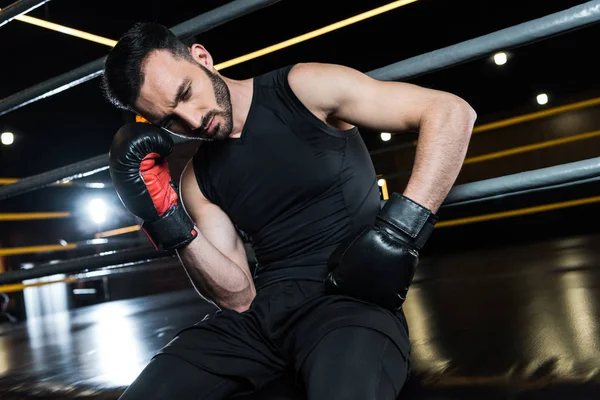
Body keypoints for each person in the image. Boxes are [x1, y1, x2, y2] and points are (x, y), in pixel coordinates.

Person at [102, 22, 476, 400]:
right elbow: (237, 298)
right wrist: (167, 220)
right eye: (170, 121)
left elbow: (450, 112)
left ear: (203, 58)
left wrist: (400, 230)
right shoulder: (196, 181)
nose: (194, 120)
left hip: (347, 304)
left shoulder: (304, 87)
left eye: (187, 92)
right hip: (258, 321)